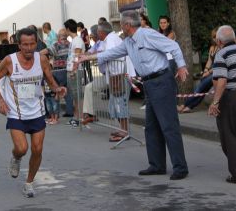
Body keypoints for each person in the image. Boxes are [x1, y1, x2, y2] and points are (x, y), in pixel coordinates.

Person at [78, 10, 189, 180]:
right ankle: (157, 165)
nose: (120, 28)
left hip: (161, 81)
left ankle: (180, 168)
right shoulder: (128, 42)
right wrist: (86, 57)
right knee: (151, 127)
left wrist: (181, 66)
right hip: (150, 84)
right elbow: (110, 53)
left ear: (127, 25)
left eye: (121, 25)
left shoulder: (147, 34)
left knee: (168, 126)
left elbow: (173, 46)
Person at [0, 27, 66, 198]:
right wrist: (0, 101)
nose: (29, 48)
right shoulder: (9, 61)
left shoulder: (42, 59)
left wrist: (57, 88)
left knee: (37, 150)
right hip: (16, 112)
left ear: (36, 44)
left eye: (32, 44)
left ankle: (29, 183)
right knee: (22, 148)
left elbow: (49, 78)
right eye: (25, 45)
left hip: (37, 111)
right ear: (19, 45)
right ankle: (16, 158)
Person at [208, 25, 236, 185]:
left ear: (219, 41)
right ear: (234, 37)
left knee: (230, 136)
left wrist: (215, 102)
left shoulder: (222, 53)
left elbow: (221, 80)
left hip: (232, 97)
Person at [178, 28, 220, 113]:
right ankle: (190, 106)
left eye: (217, 36)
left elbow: (218, 65)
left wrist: (208, 72)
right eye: (213, 37)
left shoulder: (222, 48)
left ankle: (185, 105)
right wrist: (205, 70)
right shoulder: (212, 48)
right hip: (211, 71)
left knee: (200, 87)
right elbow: (209, 61)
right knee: (202, 89)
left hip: (217, 72)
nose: (215, 39)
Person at [40, 29, 73, 118]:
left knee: (56, 91)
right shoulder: (70, 44)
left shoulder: (57, 45)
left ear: (58, 36)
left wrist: (37, 55)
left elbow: (47, 50)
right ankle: (70, 111)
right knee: (67, 91)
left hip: (58, 71)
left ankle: (55, 113)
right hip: (68, 70)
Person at [65, 19, 85, 127]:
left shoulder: (77, 40)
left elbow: (77, 57)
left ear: (68, 29)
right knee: (74, 95)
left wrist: (73, 71)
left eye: (65, 29)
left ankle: (79, 118)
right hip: (72, 70)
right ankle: (76, 117)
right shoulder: (74, 40)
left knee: (77, 95)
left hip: (75, 71)